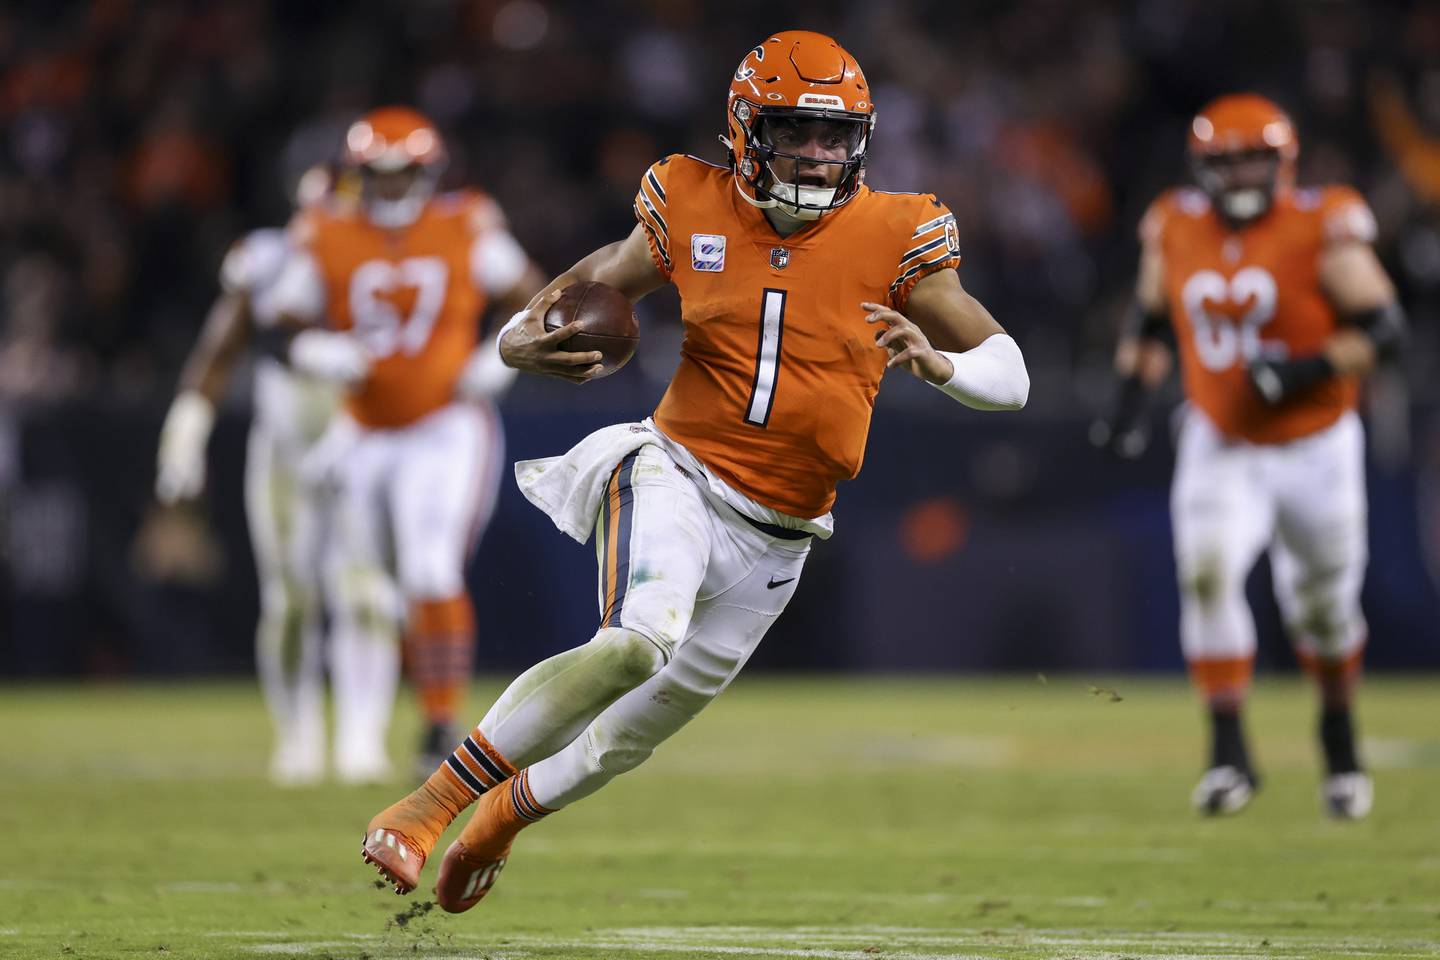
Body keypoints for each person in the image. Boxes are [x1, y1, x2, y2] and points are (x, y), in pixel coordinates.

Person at [359, 31, 1029, 911]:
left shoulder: (897, 232)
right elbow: (593, 281)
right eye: (798, 132)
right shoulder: (692, 202)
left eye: (837, 137)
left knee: (621, 743)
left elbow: (1010, 376)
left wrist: (942, 366)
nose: (821, 155)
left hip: (783, 535)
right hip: (676, 471)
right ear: (748, 131)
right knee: (636, 642)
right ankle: (427, 805)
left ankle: (499, 819)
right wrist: (520, 335)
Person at [1094, 94, 1405, 819]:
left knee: (1322, 613)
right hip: (1219, 438)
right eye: (1225, 161)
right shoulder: (1173, 224)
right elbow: (1148, 322)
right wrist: (1125, 408)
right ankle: (1229, 753)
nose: (1238, 176)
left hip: (1316, 444)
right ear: (1202, 167)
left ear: (1283, 163)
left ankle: (1338, 733)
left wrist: (1300, 370)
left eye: (1252, 160)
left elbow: (1385, 330)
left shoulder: (1321, 224)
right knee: (1205, 576)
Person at [270, 106, 544, 782]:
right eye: (378, 177)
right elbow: (277, 324)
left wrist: (500, 353)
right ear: (356, 176)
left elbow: (536, 296)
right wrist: (315, 348)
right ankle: (359, 736)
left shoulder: (466, 223)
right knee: (368, 589)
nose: (392, 191)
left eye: (405, 176)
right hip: (361, 432)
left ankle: (437, 721)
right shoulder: (324, 230)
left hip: (444, 424)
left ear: (430, 173)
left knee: (429, 569)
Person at [155, 166, 339, 786]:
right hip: (286, 446)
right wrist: (185, 432)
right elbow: (220, 348)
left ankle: (366, 738)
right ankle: (299, 736)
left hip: (366, 445)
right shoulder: (266, 259)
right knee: (290, 599)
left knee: (371, 596)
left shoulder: (388, 259)